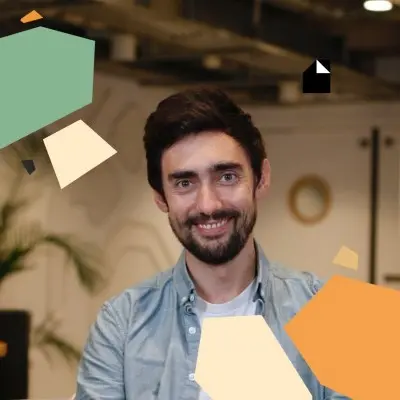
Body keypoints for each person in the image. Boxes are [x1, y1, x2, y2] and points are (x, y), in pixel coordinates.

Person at [75, 88, 348, 399]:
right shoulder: (120, 325)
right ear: (160, 197)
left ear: (261, 178)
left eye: (227, 177)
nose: (208, 205)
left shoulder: (332, 316)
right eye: (184, 183)